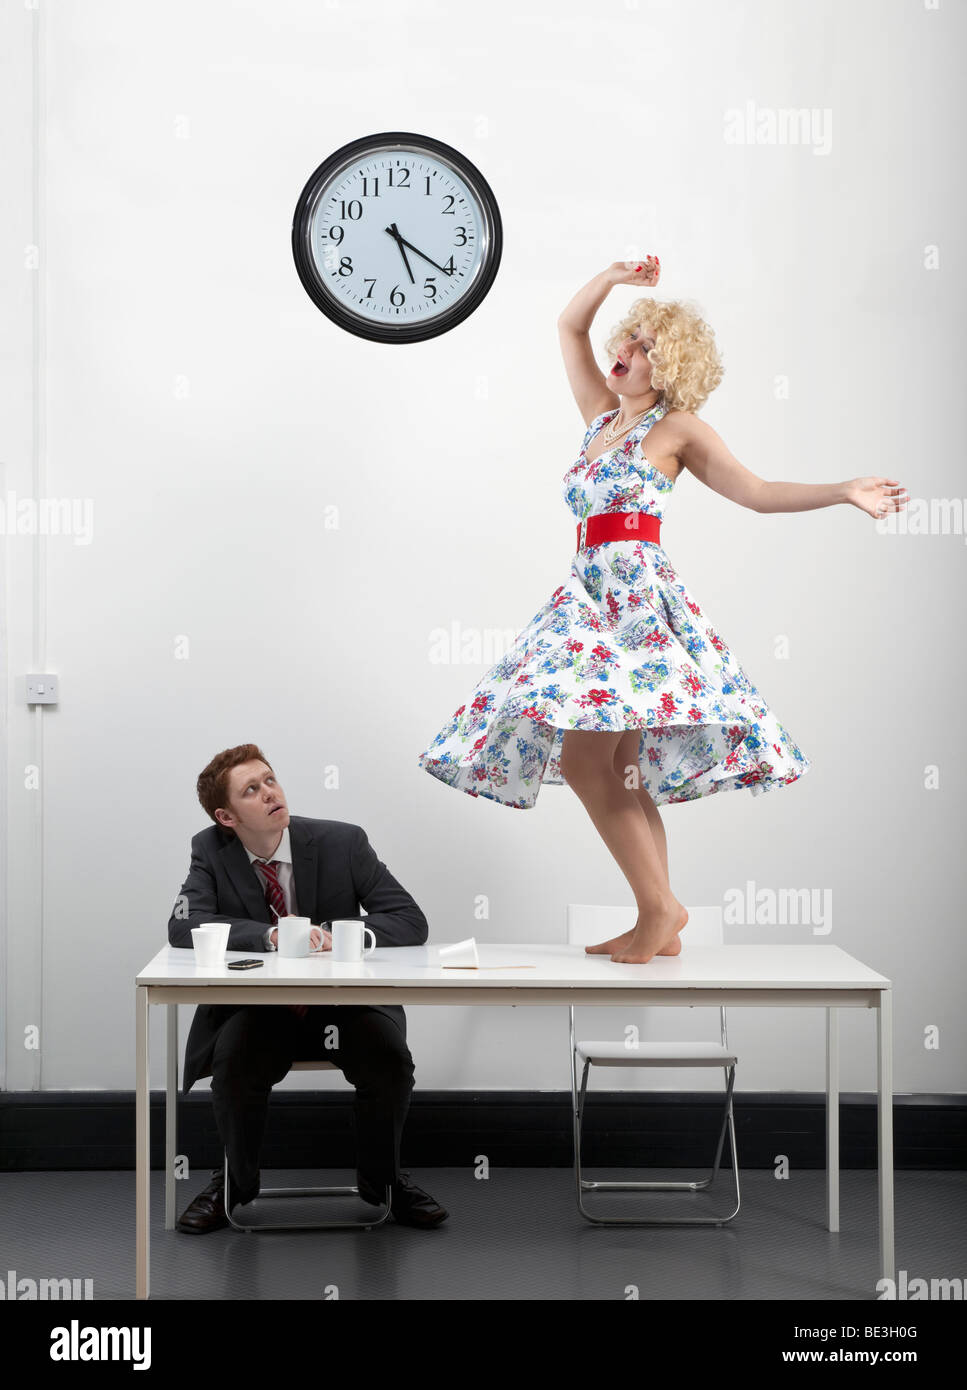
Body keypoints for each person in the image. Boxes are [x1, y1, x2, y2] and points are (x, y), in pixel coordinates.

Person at [418, 258, 908, 964]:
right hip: (582, 598)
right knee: (616, 766)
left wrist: (840, 489)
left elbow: (757, 490)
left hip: (636, 604)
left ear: (669, 365)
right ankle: (660, 917)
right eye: (630, 338)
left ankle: (658, 908)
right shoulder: (598, 419)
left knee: (590, 762)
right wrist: (613, 275)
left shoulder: (677, 428)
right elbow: (568, 324)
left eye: (648, 346)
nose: (628, 351)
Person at [168, 743, 447, 1231]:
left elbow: (409, 919)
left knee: (389, 1058)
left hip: (341, 1008)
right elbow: (182, 926)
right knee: (233, 1059)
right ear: (226, 816)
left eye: (270, 780)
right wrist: (270, 936)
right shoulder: (210, 849)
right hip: (263, 1012)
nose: (269, 793)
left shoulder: (342, 843)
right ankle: (234, 1183)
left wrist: (345, 936)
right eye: (251, 790)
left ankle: (384, 1183)